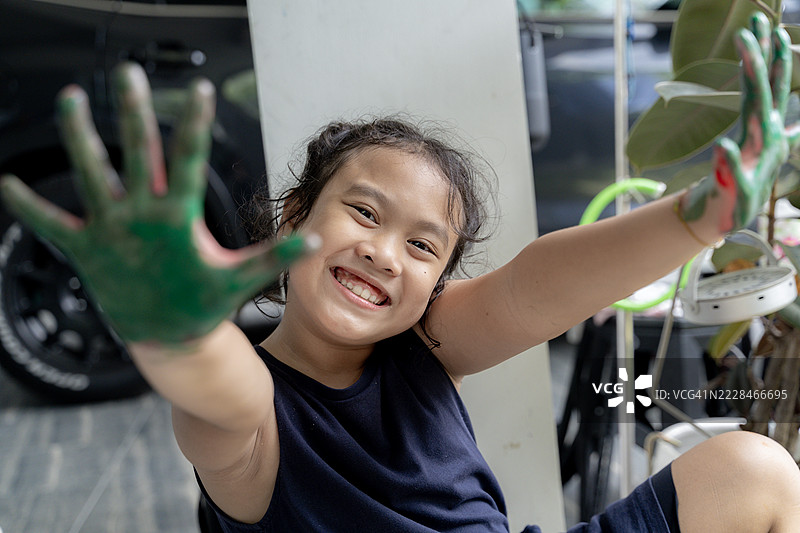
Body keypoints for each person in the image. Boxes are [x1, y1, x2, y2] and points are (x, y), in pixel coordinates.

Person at [3, 12, 800, 533]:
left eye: (424, 248)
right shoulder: (248, 412)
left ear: (435, 285)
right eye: (364, 213)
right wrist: (178, 330)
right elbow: (220, 400)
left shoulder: (423, 344)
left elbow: (532, 289)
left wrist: (699, 218)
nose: (387, 251)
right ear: (293, 220)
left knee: (754, 466)